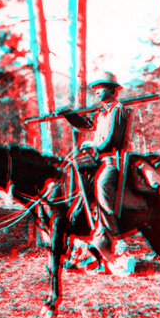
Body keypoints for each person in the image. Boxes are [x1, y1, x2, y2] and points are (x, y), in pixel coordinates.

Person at [55, 72, 128, 270]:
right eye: (94, 88)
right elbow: (85, 125)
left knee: (102, 188)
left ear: (111, 90)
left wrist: (93, 147)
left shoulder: (118, 109)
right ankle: (84, 238)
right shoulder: (100, 111)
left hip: (110, 159)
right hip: (96, 159)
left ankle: (116, 242)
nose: (96, 91)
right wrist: (68, 113)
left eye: (100, 88)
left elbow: (113, 138)